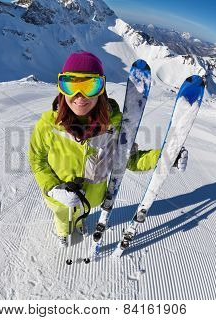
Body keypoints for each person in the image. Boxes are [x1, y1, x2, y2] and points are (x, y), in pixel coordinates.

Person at [28, 51, 188, 247]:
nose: (80, 96)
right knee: (62, 215)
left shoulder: (114, 127)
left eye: (90, 86)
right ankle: (63, 231)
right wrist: (53, 188)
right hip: (59, 198)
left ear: (101, 89)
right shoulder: (48, 125)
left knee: (82, 213)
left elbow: (130, 159)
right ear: (61, 88)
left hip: (93, 197)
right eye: (71, 85)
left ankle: (79, 223)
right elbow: (37, 160)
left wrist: (165, 157)